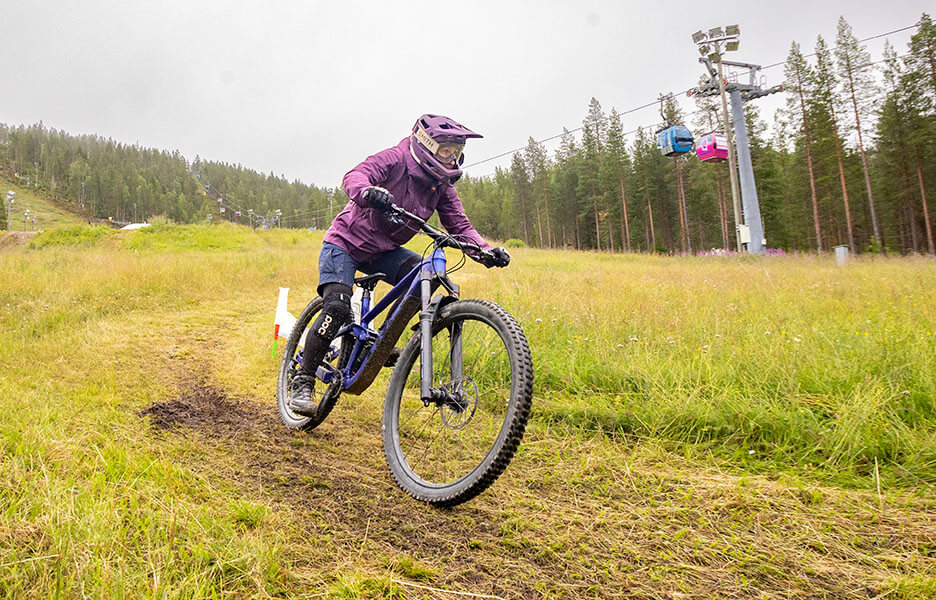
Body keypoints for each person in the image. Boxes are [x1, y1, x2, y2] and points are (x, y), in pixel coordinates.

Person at [289, 114, 511, 415]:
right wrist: (368, 192)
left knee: (425, 274)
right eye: (446, 151)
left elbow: (459, 225)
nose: (452, 159)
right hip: (345, 243)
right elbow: (355, 175)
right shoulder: (395, 158)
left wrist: (485, 251)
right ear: (427, 145)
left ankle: (376, 343)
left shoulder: (441, 186)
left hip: (384, 251)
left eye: (456, 153)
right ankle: (302, 380)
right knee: (338, 307)